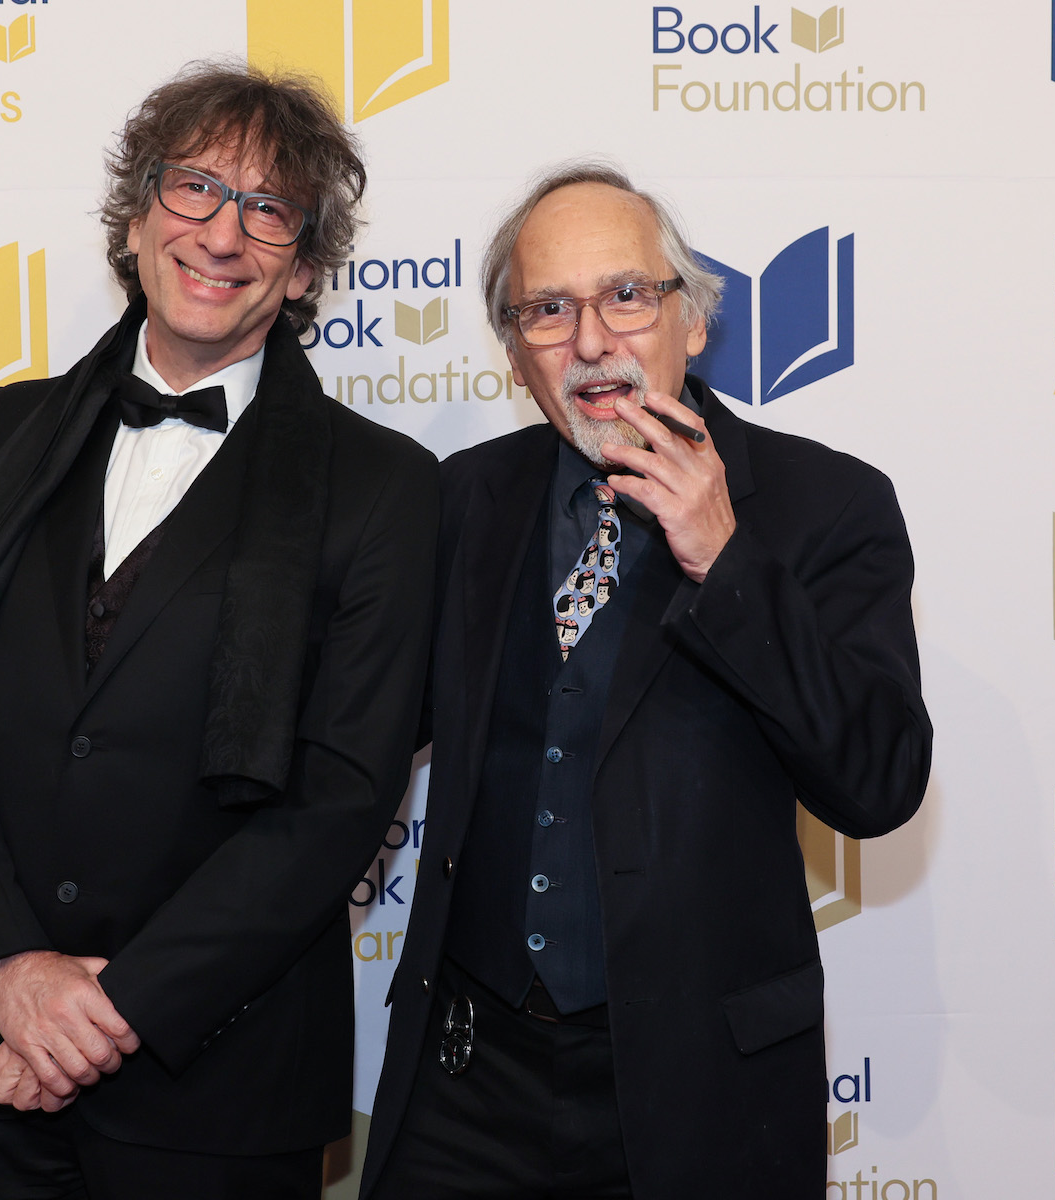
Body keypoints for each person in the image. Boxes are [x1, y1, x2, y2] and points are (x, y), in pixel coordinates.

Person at [0, 62, 437, 1199]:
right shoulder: (7, 431)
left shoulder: (385, 489)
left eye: (268, 208)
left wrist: (111, 1010)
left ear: (302, 268)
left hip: (221, 1089)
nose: (222, 234)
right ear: (135, 218)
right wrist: (13, 968)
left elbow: (341, 795)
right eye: (194, 189)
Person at [359, 161, 932, 1199]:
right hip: (466, 1084)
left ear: (693, 320)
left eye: (625, 295)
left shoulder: (826, 506)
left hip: (701, 1093)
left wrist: (729, 561)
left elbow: (879, 783)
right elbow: (358, 739)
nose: (590, 341)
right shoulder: (458, 501)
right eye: (547, 309)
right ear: (513, 353)